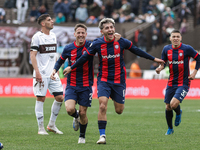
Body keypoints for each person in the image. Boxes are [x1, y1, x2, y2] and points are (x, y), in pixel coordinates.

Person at [63, 18, 164, 144]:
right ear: (102, 31)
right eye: (107, 28)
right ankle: (102, 136)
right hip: (103, 79)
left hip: (119, 80)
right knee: (102, 105)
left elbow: (137, 50)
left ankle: (102, 126)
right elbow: (84, 57)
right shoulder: (97, 44)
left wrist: (155, 59)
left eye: (111, 27)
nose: (110, 29)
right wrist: (71, 67)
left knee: (119, 110)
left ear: (114, 29)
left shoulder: (121, 41)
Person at [51, 23, 121, 144]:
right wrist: (54, 70)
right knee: (69, 109)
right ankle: (76, 117)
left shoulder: (91, 46)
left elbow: (104, 41)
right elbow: (60, 61)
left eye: (83, 33)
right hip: (71, 85)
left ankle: (82, 137)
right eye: (78, 33)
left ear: (86, 34)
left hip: (86, 85)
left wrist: (114, 37)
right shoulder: (68, 48)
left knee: (84, 112)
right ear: (75, 34)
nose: (81, 35)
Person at [156, 29, 200, 135]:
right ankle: (170, 129)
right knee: (167, 106)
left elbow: (199, 58)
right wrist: (160, 68)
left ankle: (179, 112)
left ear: (181, 38)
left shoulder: (186, 49)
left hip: (184, 82)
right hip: (171, 82)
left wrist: (194, 73)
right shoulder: (166, 49)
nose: (175, 38)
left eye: (177, 36)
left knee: (173, 104)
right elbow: (163, 62)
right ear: (170, 38)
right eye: (173, 36)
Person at [30, 14, 64, 135]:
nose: (52, 21)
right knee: (41, 98)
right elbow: (32, 55)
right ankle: (41, 128)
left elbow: (53, 55)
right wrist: (37, 72)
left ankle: (51, 125)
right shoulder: (37, 37)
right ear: (43, 24)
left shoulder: (54, 36)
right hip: (41, 73)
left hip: (52, 74)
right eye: (49, 20)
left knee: (60, 97)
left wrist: (56, 70)